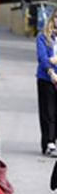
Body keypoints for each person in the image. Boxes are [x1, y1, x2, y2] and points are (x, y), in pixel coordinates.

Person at [36, 8, 57, 157]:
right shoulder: (43, 37)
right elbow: (42, 59)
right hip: (46, 78)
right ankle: (49, 142)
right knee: (47, 112)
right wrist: (51, 71)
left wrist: (53, 60)